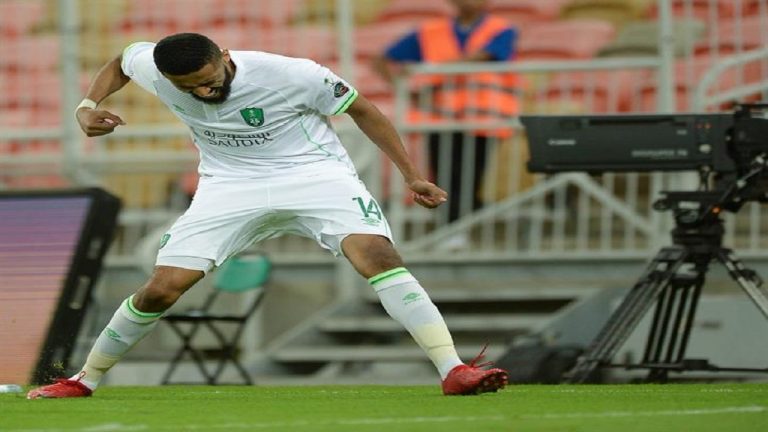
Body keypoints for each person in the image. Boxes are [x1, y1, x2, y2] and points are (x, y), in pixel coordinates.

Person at [26, 32, 508, 398]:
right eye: (189, 89)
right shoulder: (153, 66)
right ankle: (83, 379)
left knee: (377, 256)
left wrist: (411, 175)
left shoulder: (291, 74)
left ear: (225, 57)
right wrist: (87, 105)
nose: (203, 92)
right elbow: (121, 60)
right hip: (229, 185)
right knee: (162, 288)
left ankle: (453, 369)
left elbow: (364, 110)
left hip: (313, 174)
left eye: (210, 81)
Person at [372, 0, 521, 249]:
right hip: (440, 118)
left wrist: (431, 70)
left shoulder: (501, 29)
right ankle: (452, 231)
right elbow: (382, 60)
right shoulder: (431, 31)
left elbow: (486, 56)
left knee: (470, 176)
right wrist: (405, 89)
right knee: (444, 176)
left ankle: (458, 230)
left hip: (484, 119)